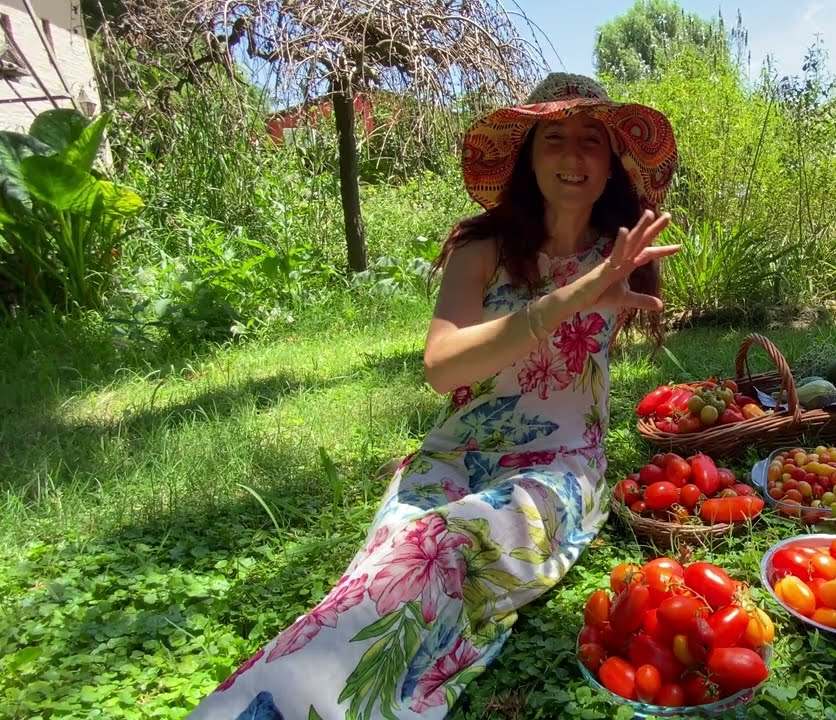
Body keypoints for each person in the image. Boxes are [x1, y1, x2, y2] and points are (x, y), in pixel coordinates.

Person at [186, 73, 679, 719]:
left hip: (557, 469)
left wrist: (600, 282)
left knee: (443, 547)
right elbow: (443, 370)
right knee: (386, 564)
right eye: (554, 137)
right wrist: (568, 300)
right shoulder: (482, 248)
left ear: (612, 162)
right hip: (455, 455)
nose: (573, 155)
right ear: (528, 155)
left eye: (592, 139)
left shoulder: (619, 253)